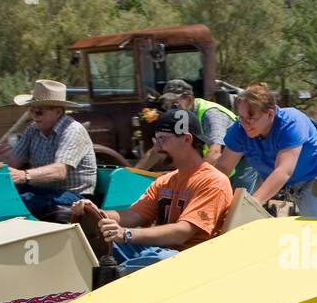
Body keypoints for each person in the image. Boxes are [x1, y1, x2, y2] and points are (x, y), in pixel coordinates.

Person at [71, 108, 232, 274]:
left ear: (186, 139)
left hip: (193, 262)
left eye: (162, 139)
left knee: (156, 258)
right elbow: (133, 216)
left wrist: (125, 234)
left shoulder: (213, 181)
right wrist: (94, 212)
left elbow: (182, 233)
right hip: (159, 252)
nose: (156, 146)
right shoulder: (165, 181)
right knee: (104, 245)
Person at [214, 82, 317, 217]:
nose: (245, 124)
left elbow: (283, 171)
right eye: (242, 118)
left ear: (270, 114)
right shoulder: (240, 129)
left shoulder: (291, 122)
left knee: (314, 224)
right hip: (289, 181)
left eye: (251, 118)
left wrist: (249, 205)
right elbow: (223, 168)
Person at [5, 79, 97, 220]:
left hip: (74, 197)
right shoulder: (33, 130)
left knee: (20, 202)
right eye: (32, 110)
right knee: (1, 196)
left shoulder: (73, 130)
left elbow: (59, 171)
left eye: (40, 112)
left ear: (58, 112)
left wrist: (24, 176)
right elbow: (12, 161)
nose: (34, 116)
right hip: (41, 190)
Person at [160, 78, 259, 193]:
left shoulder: (211, 114)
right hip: (225, 156)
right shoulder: (181, 116)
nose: (171, 109)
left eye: (175, 104)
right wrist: (136, 171)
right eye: (167, 106)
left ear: (189, 99)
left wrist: (194, 176)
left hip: (245, 155)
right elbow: (160, 147)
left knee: (237, 200)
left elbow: (215, 151)